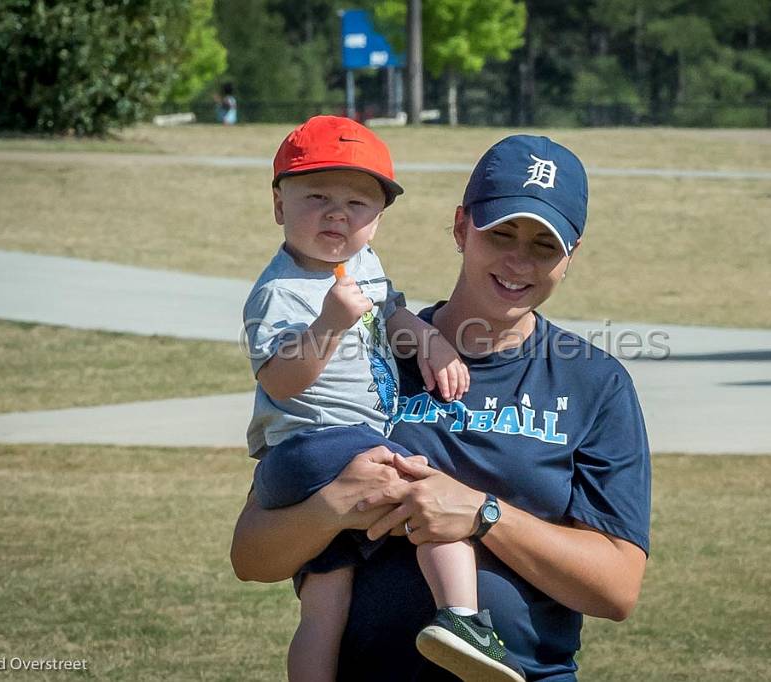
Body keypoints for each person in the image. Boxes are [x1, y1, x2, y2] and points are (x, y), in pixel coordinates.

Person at [232, 133, 652, 681]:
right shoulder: (365, 351)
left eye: (544, 246)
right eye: (501, 233)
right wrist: (335, 504)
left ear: (570, 257)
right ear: (460, 228)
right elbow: (251, 557)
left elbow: (616, 589)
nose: (519, 261)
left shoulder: (597, 383)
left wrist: (482, 515)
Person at [243, 115, 528, 682]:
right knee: (431, 497)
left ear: (376, 219)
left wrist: (427, 339)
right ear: (280, 205)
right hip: (314, 446)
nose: (336, 213)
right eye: (316, 195)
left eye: (357, 203)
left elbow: (390, 311)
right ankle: (463, 618)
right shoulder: (281, 291)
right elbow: (278, 381)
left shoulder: (362, 265)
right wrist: (327, 323)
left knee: (325, 607)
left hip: (328, 450)